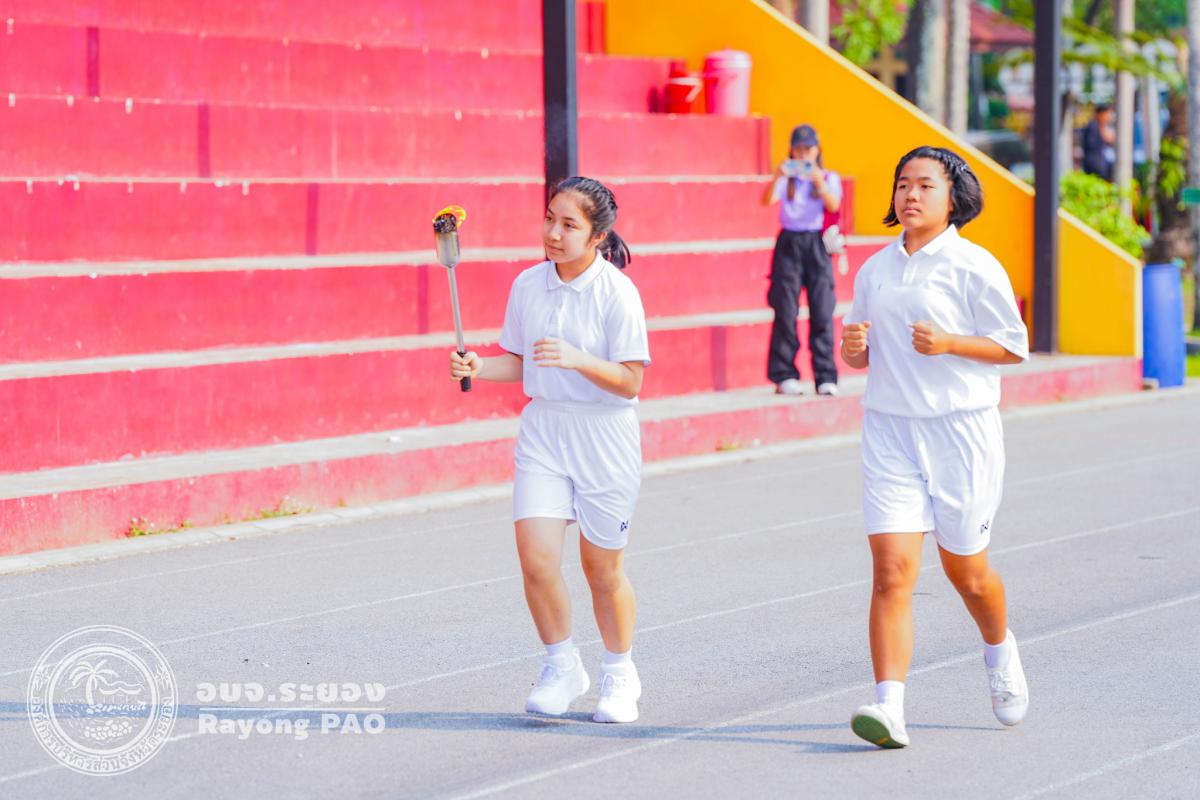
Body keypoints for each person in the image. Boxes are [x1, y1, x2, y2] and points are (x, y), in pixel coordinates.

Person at [840, 146, 1031, 748]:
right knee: (891, 572)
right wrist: (852, 348)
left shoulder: (974, 265)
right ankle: (888, 707)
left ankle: (999, 652)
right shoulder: (875, 269)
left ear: (954, 198)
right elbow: (859, 354)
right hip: (890, 431)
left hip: (960, 433)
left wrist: (950, 342)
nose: (911, 195)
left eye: (925, 185)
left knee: (967, 573)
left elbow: (1013, 346)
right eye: (903, 184)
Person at [448, 176, 650, 723]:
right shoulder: (528, 285)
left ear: (598, 236)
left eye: (569, 225)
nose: (553, 233)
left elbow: (630, 381)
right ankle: (562, 666)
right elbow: (520, 362)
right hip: (544, 431)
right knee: (536, 560)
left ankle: (619, 673)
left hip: (604, 435)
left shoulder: (617, 293)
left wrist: (577, 358)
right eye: (549, 219)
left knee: (601, 570)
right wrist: (479, 366)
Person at [761, 124, 843, 396]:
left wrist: (818, 181)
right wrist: (777, 175)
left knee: (822, 310)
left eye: (808, 149)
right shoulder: (787, 179)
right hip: (789, 242)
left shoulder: (828, 177)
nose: (803, 154)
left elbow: (834, 205)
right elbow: (766, 201)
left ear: (817, 150)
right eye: (798, 149)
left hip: (816, 243)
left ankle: (825, 376)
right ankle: (784, 374)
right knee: (785, 309)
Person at [1081, 103, 1115, 181]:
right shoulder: (1093, 126)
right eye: (1106, 115)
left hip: (1099, 165)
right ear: (1100, 114)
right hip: (1095, 166)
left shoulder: (1097, 125)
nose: (1107, 118)